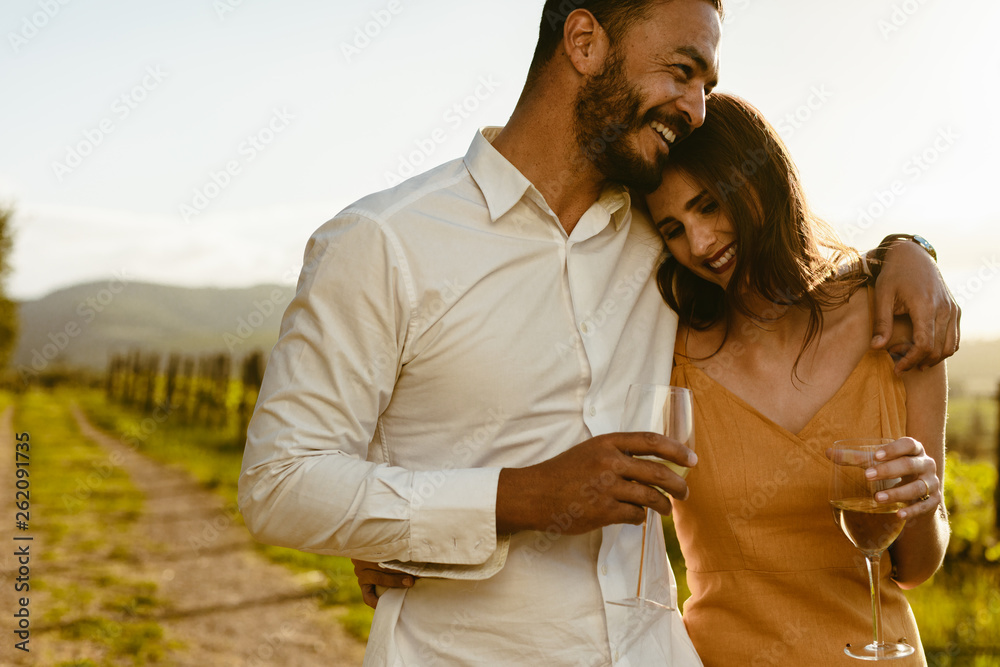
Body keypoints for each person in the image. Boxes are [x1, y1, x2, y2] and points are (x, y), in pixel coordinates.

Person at [239, 1, 959, 664]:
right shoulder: (385, 243)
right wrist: (508, 500)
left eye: (708, 83)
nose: (697, 107)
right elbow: (279, 482)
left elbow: (778, 267)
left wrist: (908, 250)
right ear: (584, 41)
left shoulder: (660, 245)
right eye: (683, 71)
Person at [647, 92, 948, 665]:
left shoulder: (897, 324)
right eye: (673, 228)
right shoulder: (668, 354)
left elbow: (916, 569)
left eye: (708, 205)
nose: (701, 243)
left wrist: (923, 502)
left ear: (759, 180)